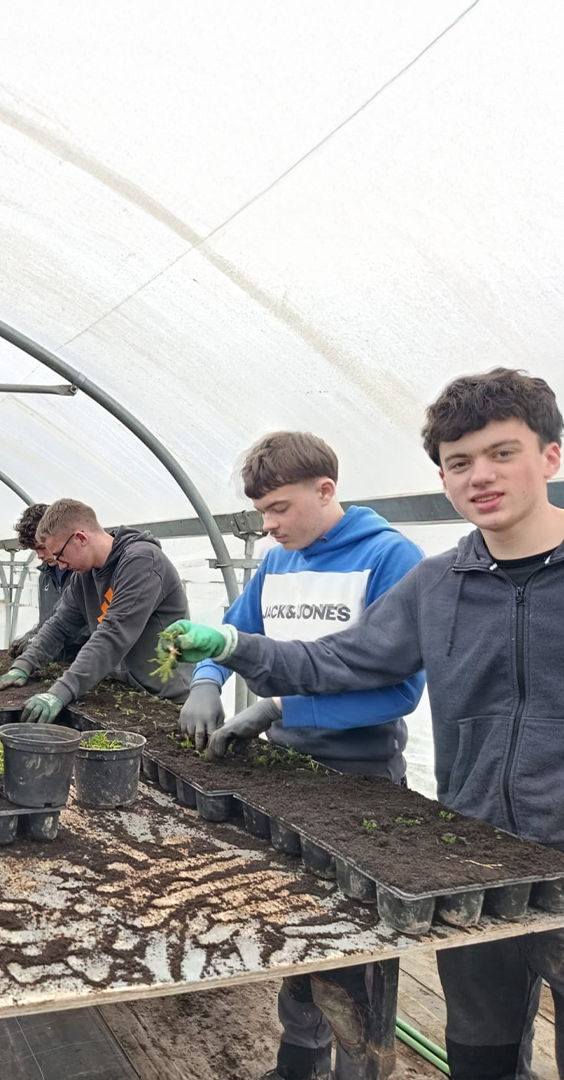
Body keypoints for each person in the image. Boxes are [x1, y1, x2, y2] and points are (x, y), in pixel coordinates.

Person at [165, 368, 564, 1080]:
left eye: (503, 452)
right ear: (442, 476)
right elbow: (343, 661)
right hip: (474, 856)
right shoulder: (438, 584)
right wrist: (228, 651)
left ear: (550, 456)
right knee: (483, 1053)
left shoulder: (388, 558)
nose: (479, 476)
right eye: (458, 462)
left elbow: (382, 694)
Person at [179, 431, 424, 1080]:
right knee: (294, 926)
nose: (268, 526)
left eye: (280, 508)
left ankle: (355, 1068)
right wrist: (206, 679)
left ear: (326, 491)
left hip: (361, 777)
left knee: (352, 950)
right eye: (261, 512)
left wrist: (281, 707)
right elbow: (233, 632)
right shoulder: (277, 563)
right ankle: (298, 1063)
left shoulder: (389, 559)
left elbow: (399, 691)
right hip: (284, 770)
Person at [0, 498, 192, 723]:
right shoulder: (83, 577)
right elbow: (59, 624)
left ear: (81, 538)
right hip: (125, 691)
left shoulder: (142, 562)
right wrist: (23, 666)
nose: (60, 565)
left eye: (60, 555)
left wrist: (59, 692)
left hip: (167, 699)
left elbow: (113, 634)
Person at [8, 502, 88, 661]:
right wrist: (30, 636)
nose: (39, 555)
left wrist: (39, 642)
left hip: (83, 664)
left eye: (42, 547)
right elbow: (46, 621)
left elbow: (87, 627)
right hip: (55, 664)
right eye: (34, 550)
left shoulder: (83, 571)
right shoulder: (45, 575)